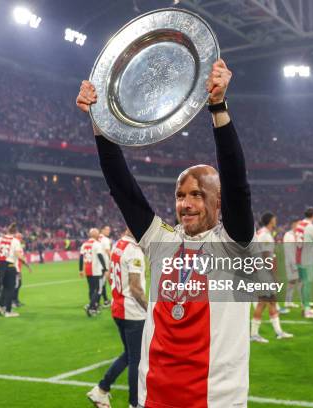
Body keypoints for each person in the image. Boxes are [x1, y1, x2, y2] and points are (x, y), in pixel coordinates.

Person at [77, 59, 256, 408]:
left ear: (218, 202)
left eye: (197, 194)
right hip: (155, 396)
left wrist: (218, 107)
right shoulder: (163, 242)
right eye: (180, 195)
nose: (186, 204)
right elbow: (122, 187)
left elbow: (237, 182)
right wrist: (98, 122)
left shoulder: (233, 246)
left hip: (214, 400)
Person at [87, 229, 147, 408]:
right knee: (137, 359)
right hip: (133, 312)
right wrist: (151, 309)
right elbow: (136, 288)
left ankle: (101, 390)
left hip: (118, 309)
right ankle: (134, 403)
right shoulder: (133, 250)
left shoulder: (117, 245)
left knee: (129, 355)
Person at [250, 212, 293, 343]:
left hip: (263, 273)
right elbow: (263, 255)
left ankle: (278, 332)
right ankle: (254, 334)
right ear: (270, 221)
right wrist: (273, 274)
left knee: (270, 302)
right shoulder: (265, 235)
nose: (276, 221)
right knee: (263, 303)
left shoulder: (264, 234)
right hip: (264, 274)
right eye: (274, 219)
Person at [0, 223, 31, 317]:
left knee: (3, 287)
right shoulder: (15, 241)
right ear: (15, 232)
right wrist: (26, 262)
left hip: (1, 265)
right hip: (10, 265)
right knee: (10, 288)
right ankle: (8, 311)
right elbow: (18, 254)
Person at [79, 228, 108, 317]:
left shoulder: (84, 244)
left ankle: (94, 306)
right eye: (98, 233)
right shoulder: (96, 244)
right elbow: (100, 256)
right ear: (95, 235)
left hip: (87, 270)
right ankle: (91, 307)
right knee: (98, 289)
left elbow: (81, 258)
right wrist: (105, 268)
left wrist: (80, 270)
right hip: (96, 271)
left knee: (91, 289)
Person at [283, 220, 301, 308]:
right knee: (292, 281)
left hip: (297, 262)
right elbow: (289, 250)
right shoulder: (288, 235)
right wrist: (293, 264)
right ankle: (288, 302)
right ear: (294, 224)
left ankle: (290, 301)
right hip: (291, 263)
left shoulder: (297, 235)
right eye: (298, 224)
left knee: (298, 281)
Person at [99, 225, 113, 308]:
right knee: (109, 282)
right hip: (105, 264)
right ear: (102, 230)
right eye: (107, 230)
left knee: (101, 283)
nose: (109, 231)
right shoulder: (105, 239)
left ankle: (105, 300)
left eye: (109, 230)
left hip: (97, 265)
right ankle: (98, 302)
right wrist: (113, 260)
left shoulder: (97, 238)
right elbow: (108, 251)